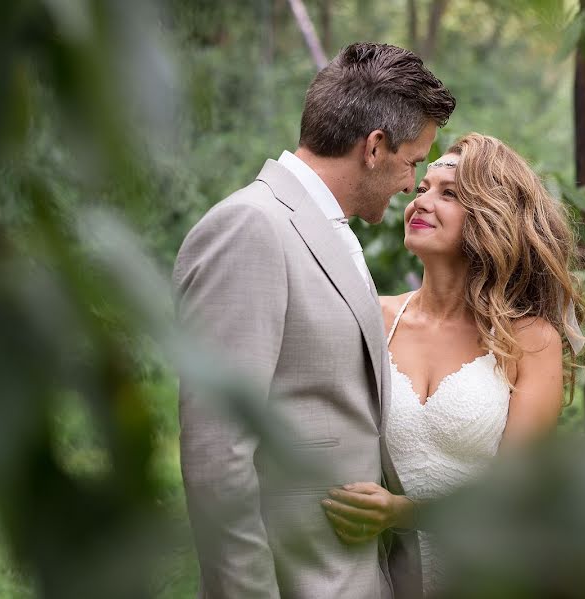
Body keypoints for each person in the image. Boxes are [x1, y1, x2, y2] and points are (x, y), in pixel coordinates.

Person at [172, 42, 455, 599]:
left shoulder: (328, 229)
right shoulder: (250, 228)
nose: (409, 185)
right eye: (413, 162)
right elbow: (216, 454)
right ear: (374, 147)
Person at [320, 133, 585, 597]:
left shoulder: (530, 341)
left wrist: (402, 513)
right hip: (376, 578)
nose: (421, 202)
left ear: (491, 215)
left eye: (449, 194)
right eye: (422, 188)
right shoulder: (372, 317)